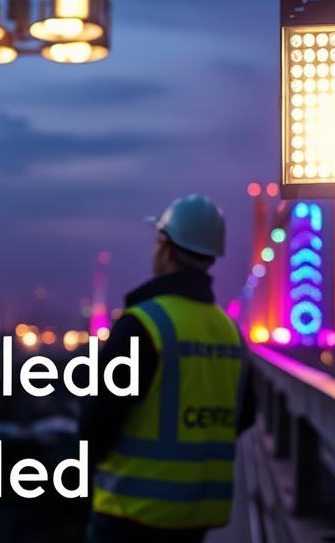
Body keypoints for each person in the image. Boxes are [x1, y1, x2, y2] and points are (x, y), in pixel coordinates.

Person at [80, 194, 255, 542]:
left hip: (130, 512)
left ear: (165, 247)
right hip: (197, 515)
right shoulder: (230, 332)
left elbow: (96, 423)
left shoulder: (143, 325)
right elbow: (245, 414)